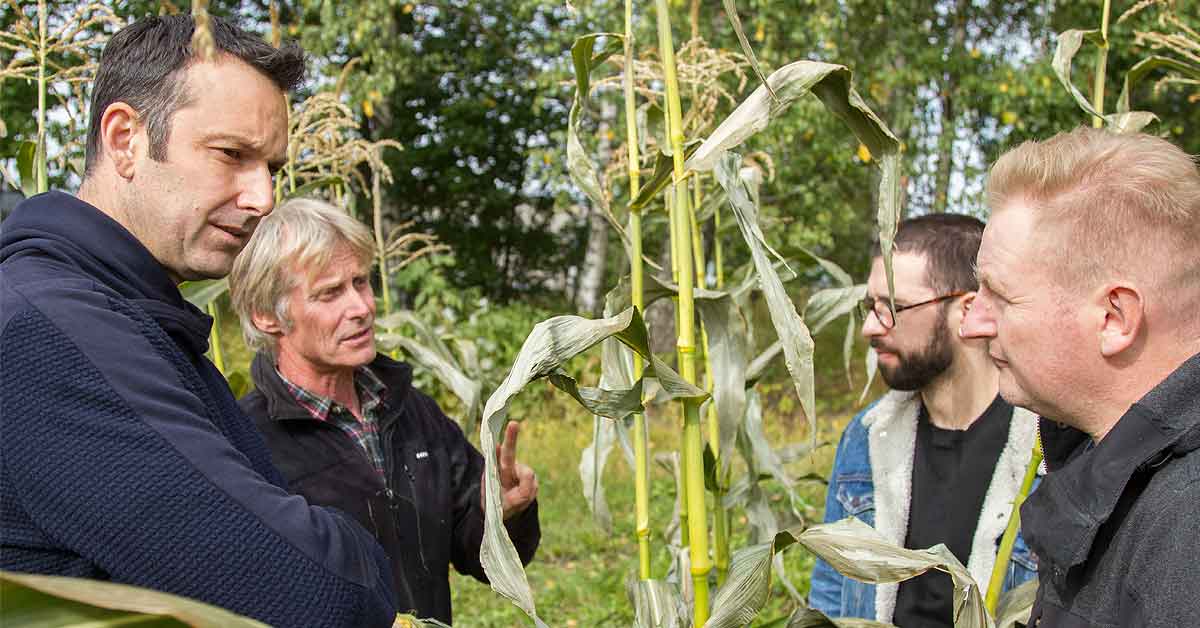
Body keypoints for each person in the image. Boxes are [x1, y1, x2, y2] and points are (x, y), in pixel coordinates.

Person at [0, 15, 397, 627]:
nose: (263, 198)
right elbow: (310, 591)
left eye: (272, 168)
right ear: (125, 138)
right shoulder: (50, 331)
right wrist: (366, 567)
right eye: (231, 154)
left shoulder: (135, 315)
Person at [228, 197, 541, 624]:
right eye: (330, 293)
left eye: (360, 281)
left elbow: (477, 554)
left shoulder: (411, 412)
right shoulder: (246, 444)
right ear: (266, 315)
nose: (361, 307)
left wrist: (501, 513)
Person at [960, 127, 1200, 627]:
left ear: (1114, 318)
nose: (971, 324)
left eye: (999, 296)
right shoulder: (1119, 473)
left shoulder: (1185, 527)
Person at [809, 214, 1039, 626]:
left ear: (969, 309)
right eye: (869, 306)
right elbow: (830, 590)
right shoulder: (866, 438)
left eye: (892, 307)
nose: (868, 328)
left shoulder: (1043, 451)